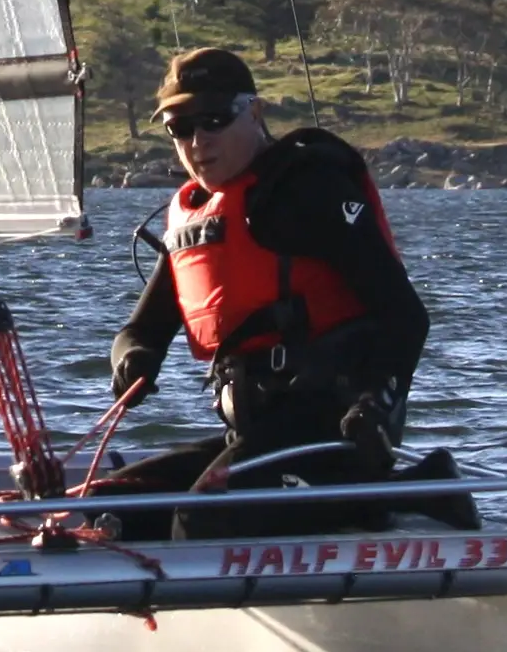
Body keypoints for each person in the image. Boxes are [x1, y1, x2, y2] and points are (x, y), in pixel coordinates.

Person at [88, 46, 467, 538]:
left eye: (215, 119)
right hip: (254, 433)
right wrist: (133, 360)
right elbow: (142, 329)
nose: (198, 140)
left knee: (203, 522)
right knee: (109, 511)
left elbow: (405, 316)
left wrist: (375, 401)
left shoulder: (306, 189)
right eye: (179, 128)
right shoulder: (200, 214)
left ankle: (421, 494)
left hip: (333, 433)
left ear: (255, 112)